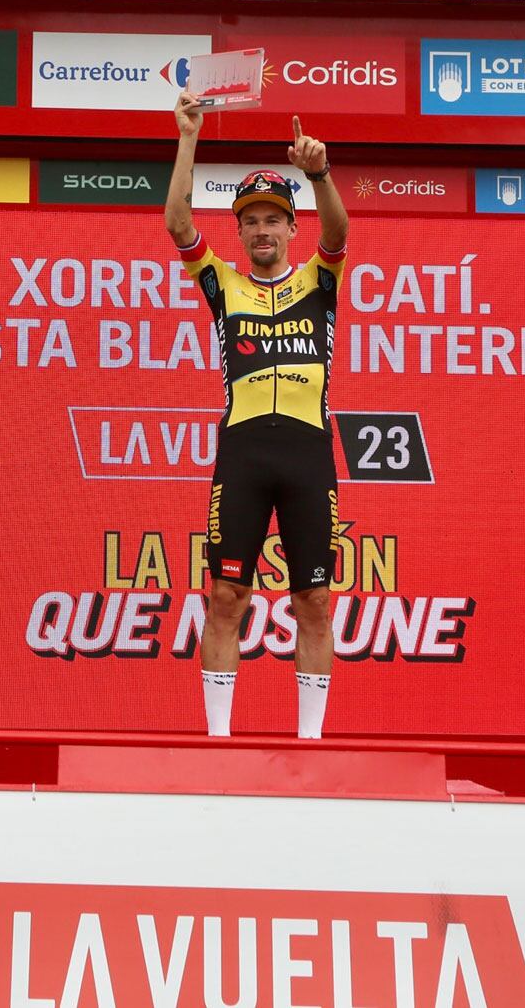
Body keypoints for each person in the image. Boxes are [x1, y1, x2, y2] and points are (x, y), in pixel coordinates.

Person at [165, 91, 350, 739]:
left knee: (315, 600)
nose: (264, 230)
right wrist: (189, 135)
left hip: (306, 454)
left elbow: (339, 233)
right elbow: (178, 220)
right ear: (240, 231)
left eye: (275, 219)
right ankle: (218, 744)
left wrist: (319, 174)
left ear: (291, 228)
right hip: (242, 453)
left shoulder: (319, 279)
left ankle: (311, 745)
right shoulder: (223, 284)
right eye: (252, 221)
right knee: (224, 597)